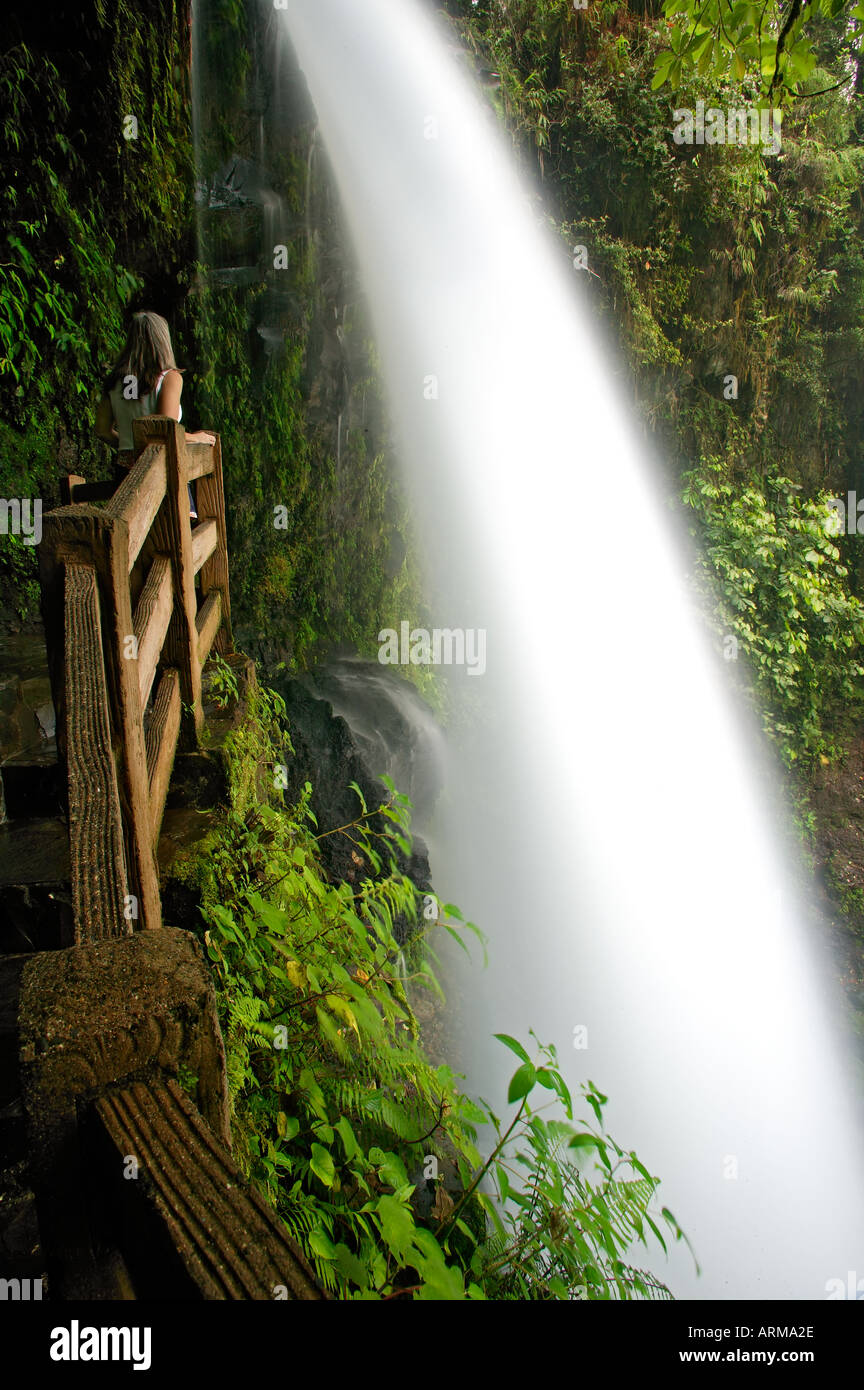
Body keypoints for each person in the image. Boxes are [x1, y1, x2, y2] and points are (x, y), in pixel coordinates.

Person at [95, 310, 214, 517]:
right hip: (160, 475)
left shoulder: (115, 382)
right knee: (172, 542)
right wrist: (197, 438)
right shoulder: (169, 378)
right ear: (162, 340)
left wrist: (128, 448)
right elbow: (164, 431)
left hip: (126, 477)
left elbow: (102, 431)